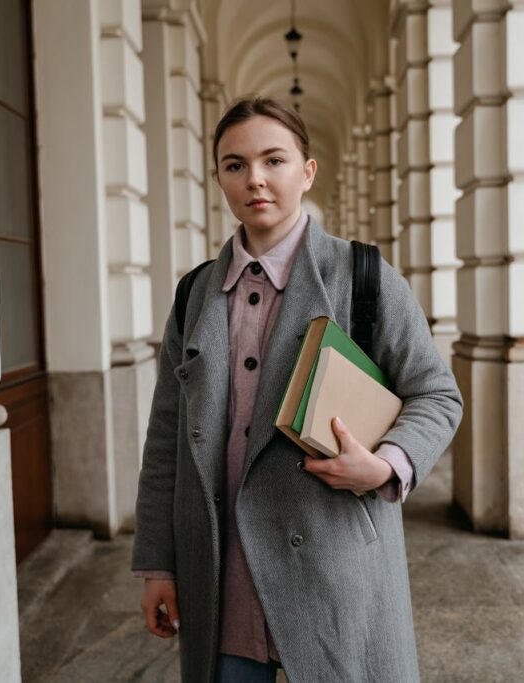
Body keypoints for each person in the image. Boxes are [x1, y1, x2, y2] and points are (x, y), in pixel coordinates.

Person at [132, 96, 462, 683]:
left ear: (306, 172)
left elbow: (437, 394)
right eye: (234, 165)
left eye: (273, 160)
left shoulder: (366, 278)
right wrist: (158, 563)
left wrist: (386, 466)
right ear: (218, 178)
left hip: (336, 569)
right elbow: (167, 438)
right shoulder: (194, 295)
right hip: (223, 574)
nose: (254, 178)